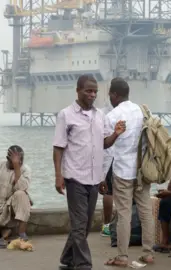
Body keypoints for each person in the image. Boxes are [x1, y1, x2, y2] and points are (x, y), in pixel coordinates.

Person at [53, 74, 125, 270]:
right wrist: (59, 176)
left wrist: (116, 134)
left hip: (94, 179)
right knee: (79, 224)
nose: (92, 94)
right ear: (78, 90)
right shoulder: (65, 115)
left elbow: (103, 144)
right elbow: (58, 148)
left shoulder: (100, 116)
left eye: (95, 91)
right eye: (88, 90)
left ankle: (67, 258)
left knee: (84, 226)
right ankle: (84, 264)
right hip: (74, 177)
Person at [103, 77, 155, 267]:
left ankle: (122, 257)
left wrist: (102, 176)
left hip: (123, 170)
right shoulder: (142, 111)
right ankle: (148, 253)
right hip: (143, 169)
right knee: (146, 211)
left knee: (124, 213)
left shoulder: (111, 116)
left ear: (114, 94)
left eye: (110, 93)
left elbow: (107, 150)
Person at [99, 105, 115, 237]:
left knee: (108, 192)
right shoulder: (132, 111)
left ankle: (107, 225)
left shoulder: (103, 113)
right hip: (125, 158)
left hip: (108, 156)